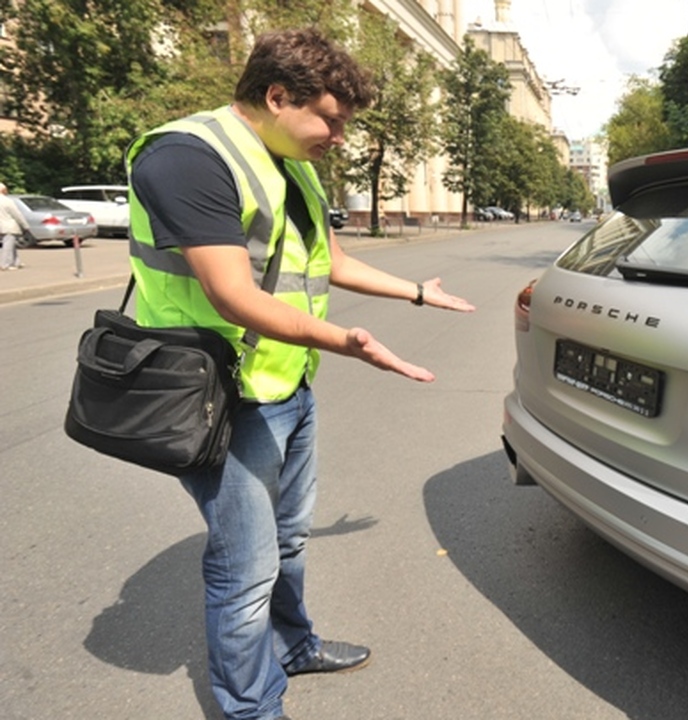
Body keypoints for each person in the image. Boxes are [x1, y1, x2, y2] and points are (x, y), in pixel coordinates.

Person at [126, 29, 474, 720]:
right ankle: (253, 708)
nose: (340, 135)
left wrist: (414, 291)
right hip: (219, 395)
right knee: (245, 570)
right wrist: (349, 341)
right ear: (277, 96)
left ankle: (292, 646)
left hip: (286, 384)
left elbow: (333, 263)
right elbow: (235, 295)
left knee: (288, 540)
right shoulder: (185, 158)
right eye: (332, 119)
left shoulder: (293, 160)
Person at [0, 181, 30, 270]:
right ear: (3, 190)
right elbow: (17, 214)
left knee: (11, 245)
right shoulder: (7, 201)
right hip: (9, 226)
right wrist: (25, 226)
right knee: (8, 246)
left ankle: (17, 262)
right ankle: (5, 265)